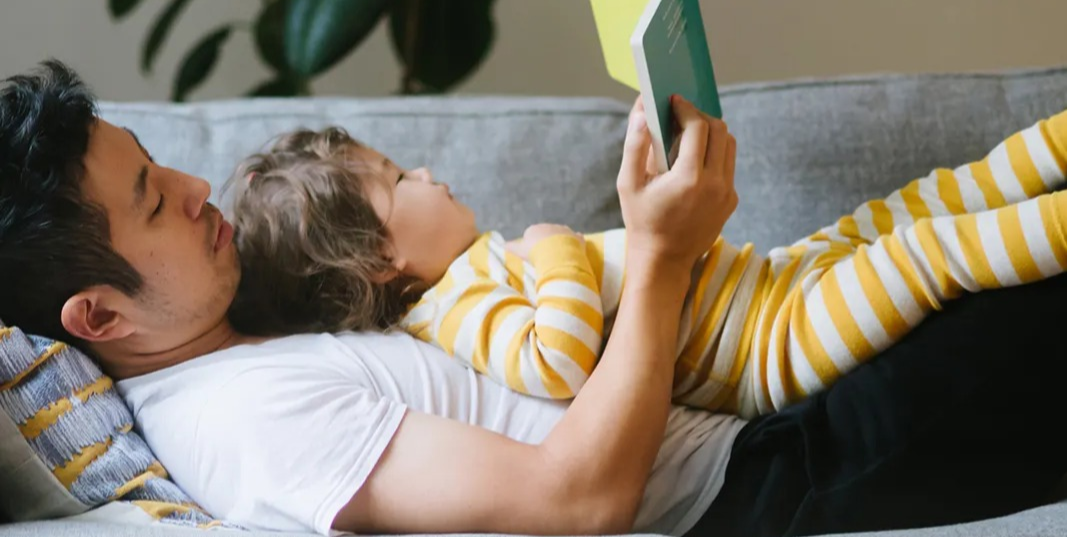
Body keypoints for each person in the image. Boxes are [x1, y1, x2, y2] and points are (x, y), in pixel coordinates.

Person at [2, 59, 1067, 537]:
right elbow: (578, 504)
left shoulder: (249, 331)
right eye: (151, 201)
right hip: (766, 480)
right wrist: (656, 255)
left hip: (757, 395)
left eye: (160, 166)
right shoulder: (241, 422)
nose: (195, 188)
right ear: (99, 316)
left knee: (948, 225)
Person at [228, 91, 1067, 418]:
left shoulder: (478, 268)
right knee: (923, 250)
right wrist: (557, 252)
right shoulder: (453, 315)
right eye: (397, 179)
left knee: (916, 201)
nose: (427, 172)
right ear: (378, 261)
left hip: (773, 283)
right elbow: (556, 363)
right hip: (772, 349)